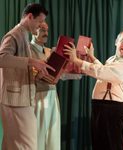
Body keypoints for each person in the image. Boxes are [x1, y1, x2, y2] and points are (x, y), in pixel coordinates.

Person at [63, 30, 123, 150]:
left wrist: (76, 60)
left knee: (113, 146)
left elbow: (103, 72)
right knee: (99, 145)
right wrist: (92, 57)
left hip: (113, 109)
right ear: (116, 42)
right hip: (100, 107)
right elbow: (103, 69)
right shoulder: (112, 59)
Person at [0, 3, 54, 150]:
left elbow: (20, 69)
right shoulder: (14, 35)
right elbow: (2, 59)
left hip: (19, 98)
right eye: (39, 21)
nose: (41, 25)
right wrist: (32, 62)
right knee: (28, 145)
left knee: (12, 144)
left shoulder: (23, 34)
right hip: (15, 100)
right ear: (30, 17)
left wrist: (36, 75)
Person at [30, 22, 82, 150]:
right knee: (38, 135)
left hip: (52, 97)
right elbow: (23, 76)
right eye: (41, 29)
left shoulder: (50, 51)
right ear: (32, 31)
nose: (46, 33)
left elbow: (63, 75)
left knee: (53, 136)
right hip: (37, 97)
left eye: (47, 30)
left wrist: (80, 67)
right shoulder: (26, 50)